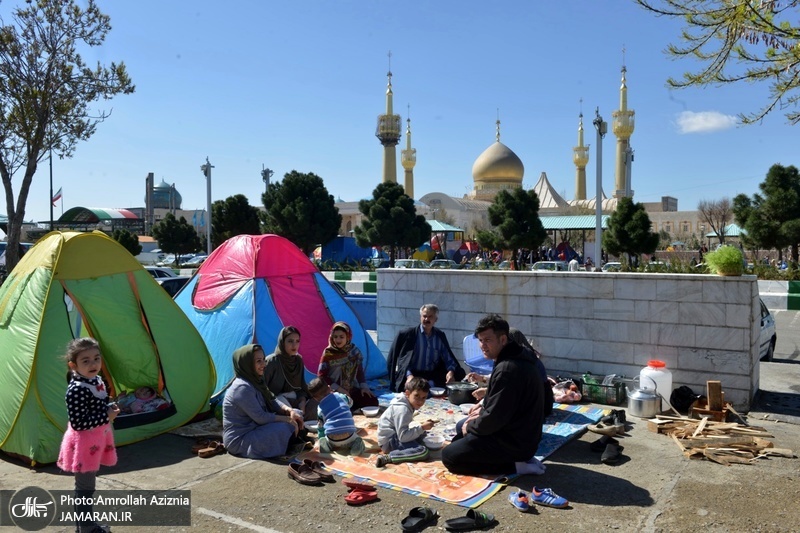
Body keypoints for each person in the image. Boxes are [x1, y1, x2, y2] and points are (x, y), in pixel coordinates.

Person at [441, 314, 545, 476]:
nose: (482, 345)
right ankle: (520, 460)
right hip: (521, 436)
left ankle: (516, 467)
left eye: (487, 340)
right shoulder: (516, 357)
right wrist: (479, 413)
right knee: (460, 430)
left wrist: (471, 425)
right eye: (481, 341)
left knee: (450, 457)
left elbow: (494, 418)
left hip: (515, 442)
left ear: (503, 340)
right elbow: (500, 404)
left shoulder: (508, 368)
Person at [57, 338, 119, 533]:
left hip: (95, 439)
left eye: (96, 358)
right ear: (73, 365)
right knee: (84, 489)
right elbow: (78, 423)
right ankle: (86, 528)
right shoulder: (76, 389)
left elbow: (95, 407)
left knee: (86, 487)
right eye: (86, 361)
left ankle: (85, 526)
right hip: (84, 443)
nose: (93, 364)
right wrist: (105, 416)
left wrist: (108, 407)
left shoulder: (95, 381)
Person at [222, 344, 308, 459]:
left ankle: (289, 438)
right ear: (247, 364)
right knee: (284, 426)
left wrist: (289, 411)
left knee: (297, 413)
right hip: (242, 438)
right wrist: (287, 419)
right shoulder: (242, 387)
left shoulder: (256, 381)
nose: (263, 364)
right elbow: (261, 417)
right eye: (258, 361)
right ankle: (288, 440)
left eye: (263, 360)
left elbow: (272, 400)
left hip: (256, 427)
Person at [466, 328, 554, 418]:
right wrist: (482, 378)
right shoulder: (522, 357)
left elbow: (509, 391)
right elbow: (502, 380)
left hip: (538, 406)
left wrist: (485, 398)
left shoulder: (522, 363)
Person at [387, 304, 466, 392]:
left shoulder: (439, 336)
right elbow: (403, 361)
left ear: (435, 319)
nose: (426, 319)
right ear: (420, 317)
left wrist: (450, 372)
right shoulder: (408, 335)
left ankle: (430, 385)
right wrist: (409, 376)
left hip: (432, 374)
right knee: (412, 389)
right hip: (412, 374)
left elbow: (448, 358)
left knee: (459, 375)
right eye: (424, 316)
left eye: (430, 317)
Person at [318, 321, 378, 411]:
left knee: (372, 401)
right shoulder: (328, 353)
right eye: (335, 337)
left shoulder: (354, 351)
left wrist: (364, 387)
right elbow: (322, 376)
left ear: (348, 337)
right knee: (339, 406)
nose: (338, 340)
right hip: (334, 391)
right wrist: (339, 389)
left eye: (341, 337)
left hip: (352, 389)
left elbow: (359, 372)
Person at [375, 377, 434, 468]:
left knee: (422, 435)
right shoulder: (403, 410)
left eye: (423, 398)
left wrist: (421, 430)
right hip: (389, 442)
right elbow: (402, 437)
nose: (420, 401)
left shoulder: (407, 403)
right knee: (423, 452)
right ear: (407, 393)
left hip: (394, 436)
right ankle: (389, 457)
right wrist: (422, 428)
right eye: (416, 396)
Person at [264, 326, 317, 420]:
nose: (294, 345)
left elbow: (301, 388)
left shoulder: (298, 361)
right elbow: (263, 390)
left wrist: (302, 401)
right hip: (276, 402)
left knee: (321, 403)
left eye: (297, 341)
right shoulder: (272, 361)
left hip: (295, 400)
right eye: (290, 341)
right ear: (282, 342)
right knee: (288, 412)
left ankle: (298, 421)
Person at [307, 378, 365, 455]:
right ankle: (356, 446)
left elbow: (320, 427)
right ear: (329, 387)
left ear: (315, 398)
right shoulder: (341, 396)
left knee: (328, 439)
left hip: (332, 439)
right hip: (349, 436)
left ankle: (326, 444)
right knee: (356, 438)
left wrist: (321, 437)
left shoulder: (320, 408)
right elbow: (351, 402)